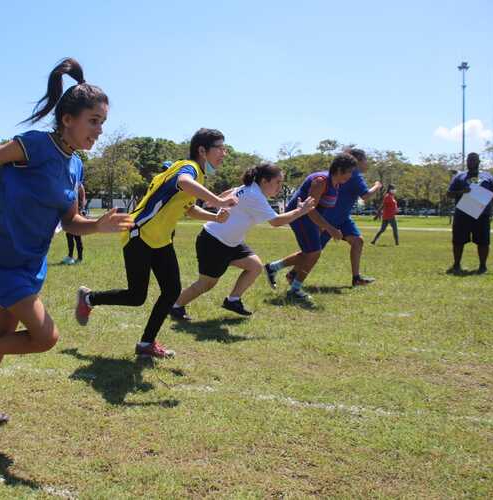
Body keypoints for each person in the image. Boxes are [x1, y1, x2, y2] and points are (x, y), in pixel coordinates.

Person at [0, 57, 131, 424]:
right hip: (5, 259)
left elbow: (70, 222)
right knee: (45, 336)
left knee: (3, 339)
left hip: (32, 263)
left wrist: (97, 226)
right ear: (67, 119)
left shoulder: (75, 165)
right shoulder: (34, 145)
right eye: (94, 121)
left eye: (102, 123)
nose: (99, 130)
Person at [75, 128, 238, 359]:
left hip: (160, 240)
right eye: (220, 147)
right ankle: (89, 298)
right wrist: (219, 200)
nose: (224, 152)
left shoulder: (198, 175)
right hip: (139, 234)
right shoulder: (188, 168)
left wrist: (214, 216)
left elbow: (189, 208)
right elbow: (183, 181)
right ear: (202, 150)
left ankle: (145, 344)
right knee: (136, 296)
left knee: (171, 291)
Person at [170, 163, 315, 321]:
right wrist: (301, 211)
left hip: (231, 242)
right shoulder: (255, 195)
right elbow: (276, 222)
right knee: (206, 284)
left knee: (255, 266)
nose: (280, 187)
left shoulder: (250, 188)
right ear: (265, 181)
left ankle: (233, 300)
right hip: (214, 242)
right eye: (277, 182)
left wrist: (218, 200)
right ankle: (175, 306)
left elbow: (232, 191)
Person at [263, 153, 357, 307]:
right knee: (314, 252)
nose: (351, 175)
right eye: (349, 172)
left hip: (310, 218)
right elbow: (310, 209)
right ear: (340, 170)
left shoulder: (336, 184)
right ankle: (295, 289)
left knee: (309, 253)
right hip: (299, 215)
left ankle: (272, 268)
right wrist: (330, 228)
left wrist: (321, 226)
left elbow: (321, 208)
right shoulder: (321, 181)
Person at [297, 148, 381, 287]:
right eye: (366, 160)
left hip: (343, 218)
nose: (368, 163)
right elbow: (365, 195)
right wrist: (377, 186)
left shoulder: (347, 173)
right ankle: (287, 271)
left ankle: (356, 278)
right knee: (313, 251)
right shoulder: (355, 175)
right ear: (358, 161)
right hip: (331, 218)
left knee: (357, 241)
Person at [446, 152, 493, 274]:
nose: (471, 162)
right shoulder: (459, 177)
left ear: (479, 162)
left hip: (482, 214)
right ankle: (456, 264)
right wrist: (462, 192)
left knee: (483, 241)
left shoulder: (487, 177)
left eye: (473, 160)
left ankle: (482, 266)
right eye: (469, 160)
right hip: (462, 214)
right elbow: (449, 193)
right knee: (458, 241)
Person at [62, 183, 86, 265]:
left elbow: (82, 199)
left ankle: (80, 257)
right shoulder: (70, 184)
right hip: (69, 214)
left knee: (77, 237)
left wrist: (81, 210)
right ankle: (70, 256)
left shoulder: (79, 186)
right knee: (69, 236)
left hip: (76, 214)